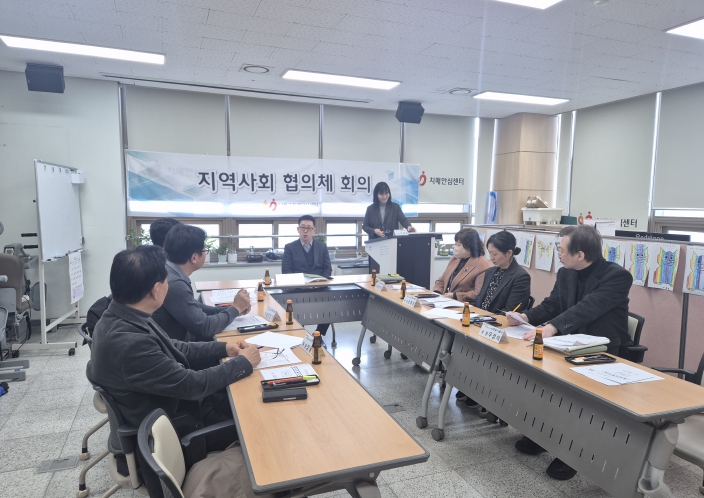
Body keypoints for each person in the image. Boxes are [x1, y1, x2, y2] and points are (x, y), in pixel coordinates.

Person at [86, 245, 261, 498]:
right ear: (156, 290)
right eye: (166, 280)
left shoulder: (121, 314)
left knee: (242, 395)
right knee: (257, 418)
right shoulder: (130, 343)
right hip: (179, 429)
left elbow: (174, 346)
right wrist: (243, 363)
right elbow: (194, 385)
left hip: (166, 409)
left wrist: (224, 348)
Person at [507, 224, 633, 481]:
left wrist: (552, 327)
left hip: (602, 352)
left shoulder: (617, 276)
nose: (559, 254)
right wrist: (525, 317)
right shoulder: (566, 273)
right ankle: (545, 436)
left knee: (580, 402)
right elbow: (554, 304)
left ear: (581, 254)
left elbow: (588, 307)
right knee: (546, 388)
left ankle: (572, 454)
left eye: (562, 250)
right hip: (568, 345)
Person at [153, 224, 251, 342]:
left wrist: (233, 310)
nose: (206, 254)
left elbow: (194, 307)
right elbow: (205, 328)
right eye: (205, 250)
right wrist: (236, 308)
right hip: (179, 348)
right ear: (194, 257)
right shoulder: (175, 283)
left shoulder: (168, 269)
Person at [282, 215, 332, 335]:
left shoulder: (322, 247)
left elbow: (327, 269)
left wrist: (318, 283)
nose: (305, 231)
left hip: (318, 288)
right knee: (296, 310)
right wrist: (303, 284)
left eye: (309, 228)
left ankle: (318, 335)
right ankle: (301, 335)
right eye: (302, 227)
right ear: (298, 229)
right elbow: (286, 271)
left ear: (314, 230)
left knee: (332, 305)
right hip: (297, 290)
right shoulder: (289, 248)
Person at [473, 230, 531, 313]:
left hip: (497, 319)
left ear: (509, 253)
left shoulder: (521, 277)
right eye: (490, 253)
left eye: (495, 254)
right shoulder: (490, 271)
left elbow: (510, 310)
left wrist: (485, 317)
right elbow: (479, 300)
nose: (491, 257)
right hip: (479, 316)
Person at [433, 228, 490, 302]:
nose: (454, 247)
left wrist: (455, 295)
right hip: (445, 300)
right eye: (455, 244)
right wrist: (437, 293)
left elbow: (478, 293)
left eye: (458, 245)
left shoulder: (481, 264)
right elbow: (442, 280)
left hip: (463, 304)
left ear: (469, 247)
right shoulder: (454, 259)